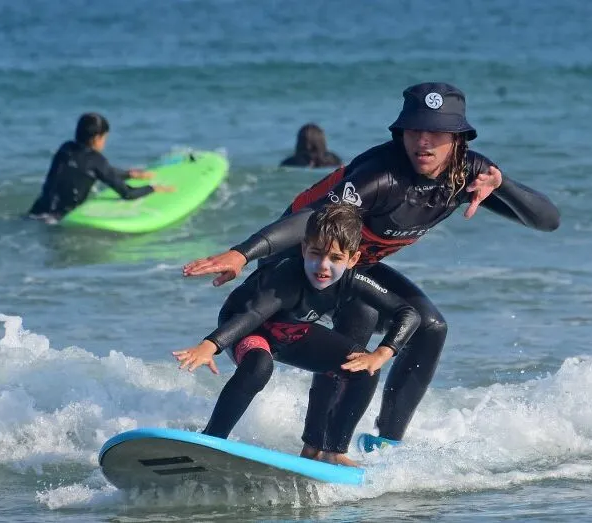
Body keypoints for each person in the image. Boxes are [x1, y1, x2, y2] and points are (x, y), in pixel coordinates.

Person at [182, 82, 561, 452]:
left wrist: (503, 185)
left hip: (353, 266)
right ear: (401, 132)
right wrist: (242, 253)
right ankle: (319, 446)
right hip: (302, 260)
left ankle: (385, 443)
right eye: (415, 130)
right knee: (355, 325)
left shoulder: (468, 174)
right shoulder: (381, 175)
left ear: (458, 138)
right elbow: (313, 217)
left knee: (430, 327)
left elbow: (547, 221)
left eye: (436, 132)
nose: (423, 141)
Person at [173, 203, 421, 466]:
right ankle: (213, 440)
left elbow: (409, 313)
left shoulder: (352, 280)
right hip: (247, 328)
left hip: (289, 331)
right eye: (315, 254)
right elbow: (253, 315)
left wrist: (383, 353)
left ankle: (331, 451)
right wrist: (211, 345)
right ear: (304, 249)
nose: (323, 266)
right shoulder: (287, 277)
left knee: (363, 368)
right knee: (259, 365)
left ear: (352, 260)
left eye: (335, 258)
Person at [28, 112, 174, 220]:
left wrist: (129, 174)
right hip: (60, 219)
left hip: (36, 212)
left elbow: (91, 169)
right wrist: (153, 188)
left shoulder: (66, 148)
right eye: (105, 138)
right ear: (97, 138)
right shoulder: (96, 160)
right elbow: (128, 194)